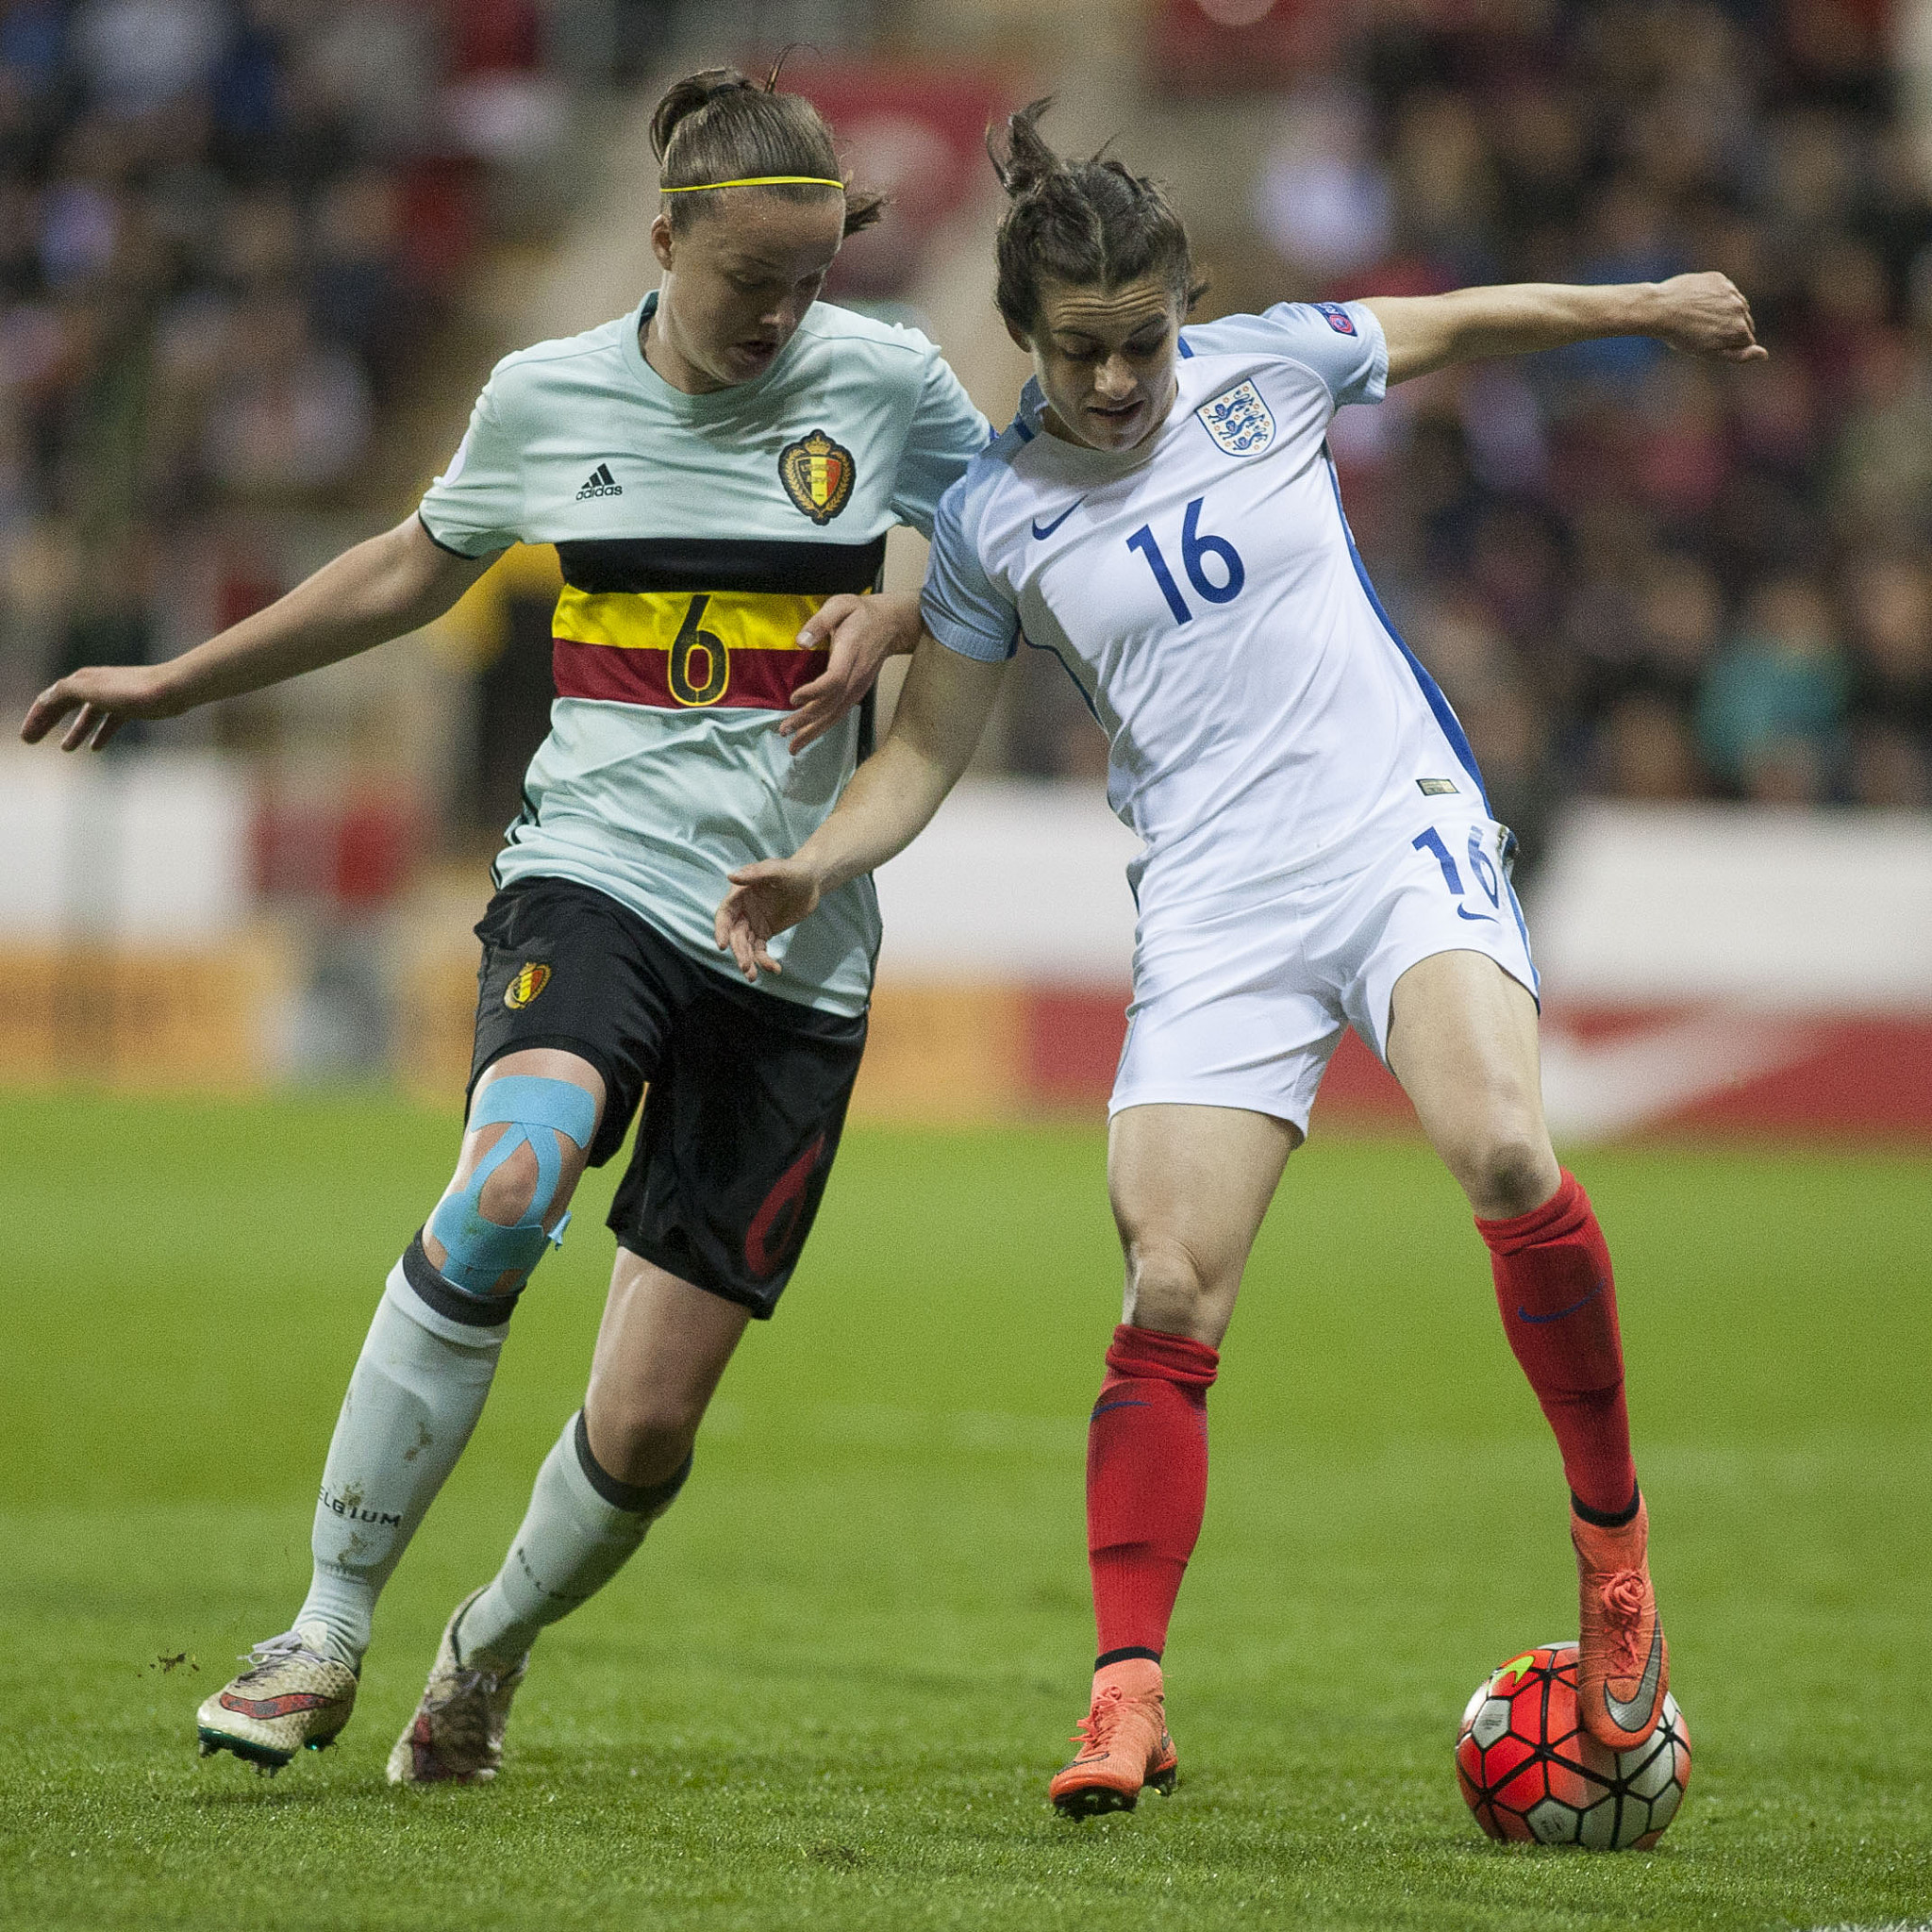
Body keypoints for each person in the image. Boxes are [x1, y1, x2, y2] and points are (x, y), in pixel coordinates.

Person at [716, 100, 1765, 1817]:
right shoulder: (991, 523)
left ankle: (1615, 1554)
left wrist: (1642, 305)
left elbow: (1466, 318)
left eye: (1141, 345)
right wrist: (815, 861)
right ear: (1027, 343)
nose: (1119, 385)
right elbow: (926, 748)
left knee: (1504, 1147)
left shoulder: (1274, 368)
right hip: (1213, 900)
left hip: (1387, 823)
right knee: (1169, 1288)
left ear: (1184, 310)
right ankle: (1126, 1693)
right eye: (1082, 357)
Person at [21, 66, 990, 1784]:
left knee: (647, 1425)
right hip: (597, 875)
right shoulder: (544, 395)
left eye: (808, 282)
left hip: (799, 947)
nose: (781, 316)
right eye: (747, 281)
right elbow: (412, 564)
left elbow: (997, 545)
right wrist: (183, 677)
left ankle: (485, 1650)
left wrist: (896, 607)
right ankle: (320, 1628)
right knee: (512, 1179)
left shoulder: (894, 379)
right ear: (661, 239)